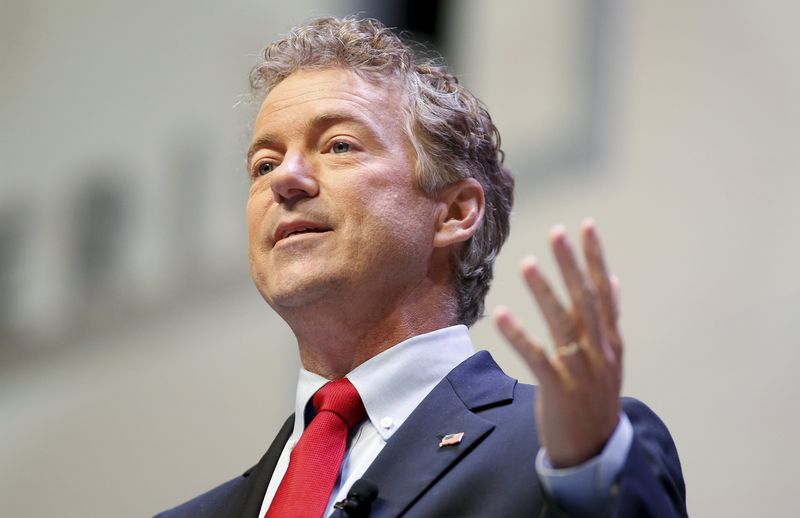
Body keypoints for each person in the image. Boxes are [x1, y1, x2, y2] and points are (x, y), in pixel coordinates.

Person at [157, 15, 686, 518]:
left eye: (339, 146)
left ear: (454, 213)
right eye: (264, 164)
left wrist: (589, 476)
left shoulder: (560, 451)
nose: (284, 180)